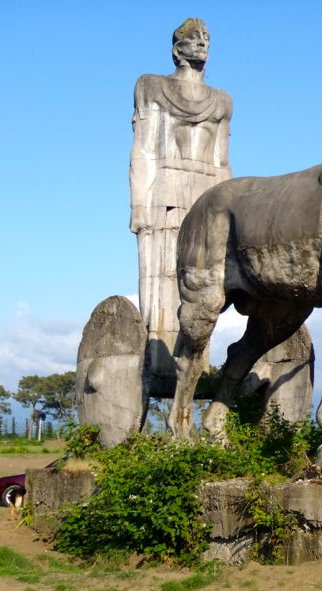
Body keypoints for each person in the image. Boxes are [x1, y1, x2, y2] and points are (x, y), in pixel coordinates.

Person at [129, 18, 232, 395]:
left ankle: (198, 364)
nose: (203, 43)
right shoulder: (152, 86)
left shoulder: (222, 100)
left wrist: (234, 214)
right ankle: (158, 363)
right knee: (163, 278)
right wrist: (139, 204)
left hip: (208, 193)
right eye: (194, 39)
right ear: (177, 49)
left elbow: (223, 163)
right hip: (167, 190)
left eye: (207, 38)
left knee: (207, 284)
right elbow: (143, 150)